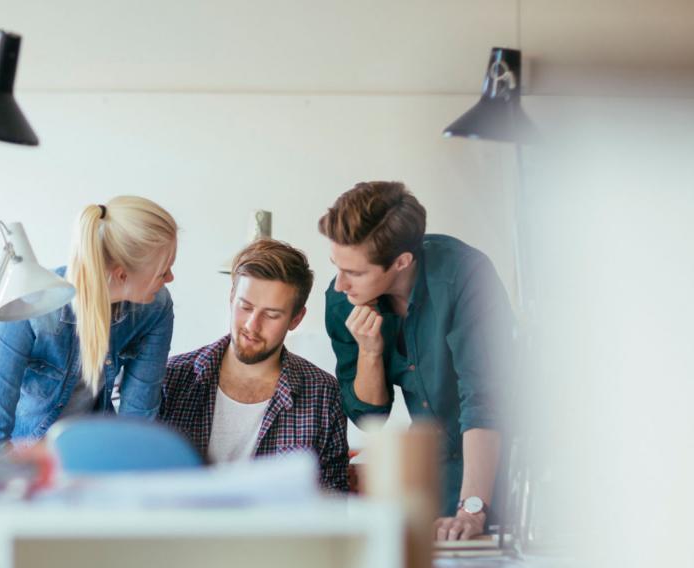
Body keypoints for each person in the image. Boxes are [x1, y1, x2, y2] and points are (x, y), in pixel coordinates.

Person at [320, 181, 513, 540]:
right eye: (337, 266)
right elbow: (368, 415)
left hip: (504, 467)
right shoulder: (340, 301)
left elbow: (485, 399)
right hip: (435, 476)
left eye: (355, 272)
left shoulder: (463, 276)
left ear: (401, 261)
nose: (339, 285)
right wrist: (370, 351)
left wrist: (472, 508)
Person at [0, 195, 177, 448]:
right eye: (163, 270)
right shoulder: (31, 304)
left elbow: (138, 422)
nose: (171, 278)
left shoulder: (155, 309)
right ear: (122, 275)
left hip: (69, 453)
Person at [158, 239, 349, 491]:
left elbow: (332, 509)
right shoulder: (171, 379)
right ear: (231, 297)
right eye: (245, 307)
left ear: (296, 318)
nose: (251, 325)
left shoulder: (323, 395)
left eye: (271, 315)